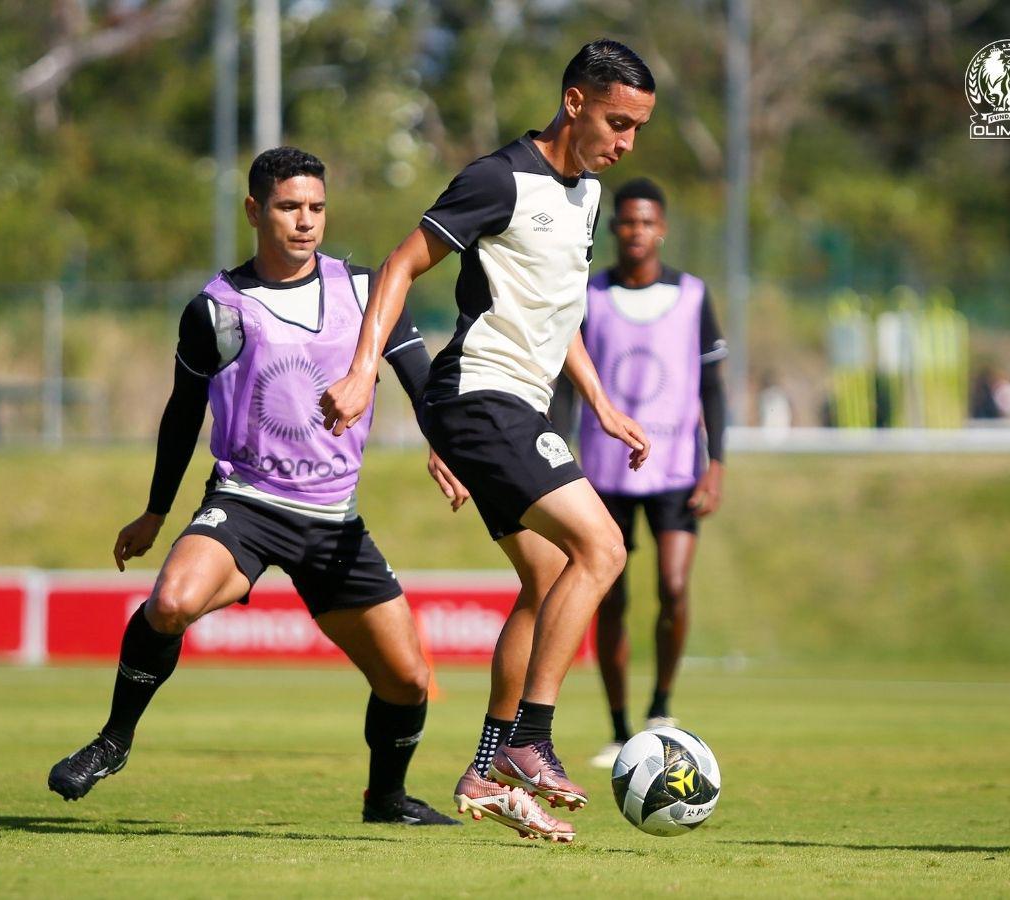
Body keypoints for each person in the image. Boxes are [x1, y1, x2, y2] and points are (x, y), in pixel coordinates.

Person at [47, 147, 463, 827]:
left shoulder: (366, 290)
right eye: (289, 206)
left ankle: (387, 799)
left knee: (408, 679)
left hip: (334, 519)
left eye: (317, 207)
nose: (305, 221)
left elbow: (421, 376)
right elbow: (183, 412)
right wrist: (156, 511)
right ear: (253, 210)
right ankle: (113, 741)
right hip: (246, 504)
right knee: (171, 602)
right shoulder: (216, 308)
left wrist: (442, 442)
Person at [320, 40, 655, 843]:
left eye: (638, 129)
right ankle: (530, 742)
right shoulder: (499, 179)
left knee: (548, 580)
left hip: (520, 407)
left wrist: (602, 404)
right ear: (574, 103)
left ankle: (485, 767)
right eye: (617, 122)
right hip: (478, 396)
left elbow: (557, 312)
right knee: (602, 548)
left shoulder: (588, 197)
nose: (626, 143)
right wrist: (363, 372)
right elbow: (397, 267)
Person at [573, 178, 727, 769]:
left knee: (674, 585)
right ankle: (618, 728)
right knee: (608, 594)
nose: (636, 231)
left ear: (661, 228)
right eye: (627, 222)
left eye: (647, 222)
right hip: (603, 468)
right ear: (613, 228)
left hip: (675, 467)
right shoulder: (590, 294)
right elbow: (567, 379)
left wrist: (717, 464)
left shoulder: (691, 295)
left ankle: (661, 708)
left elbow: (712, 386)